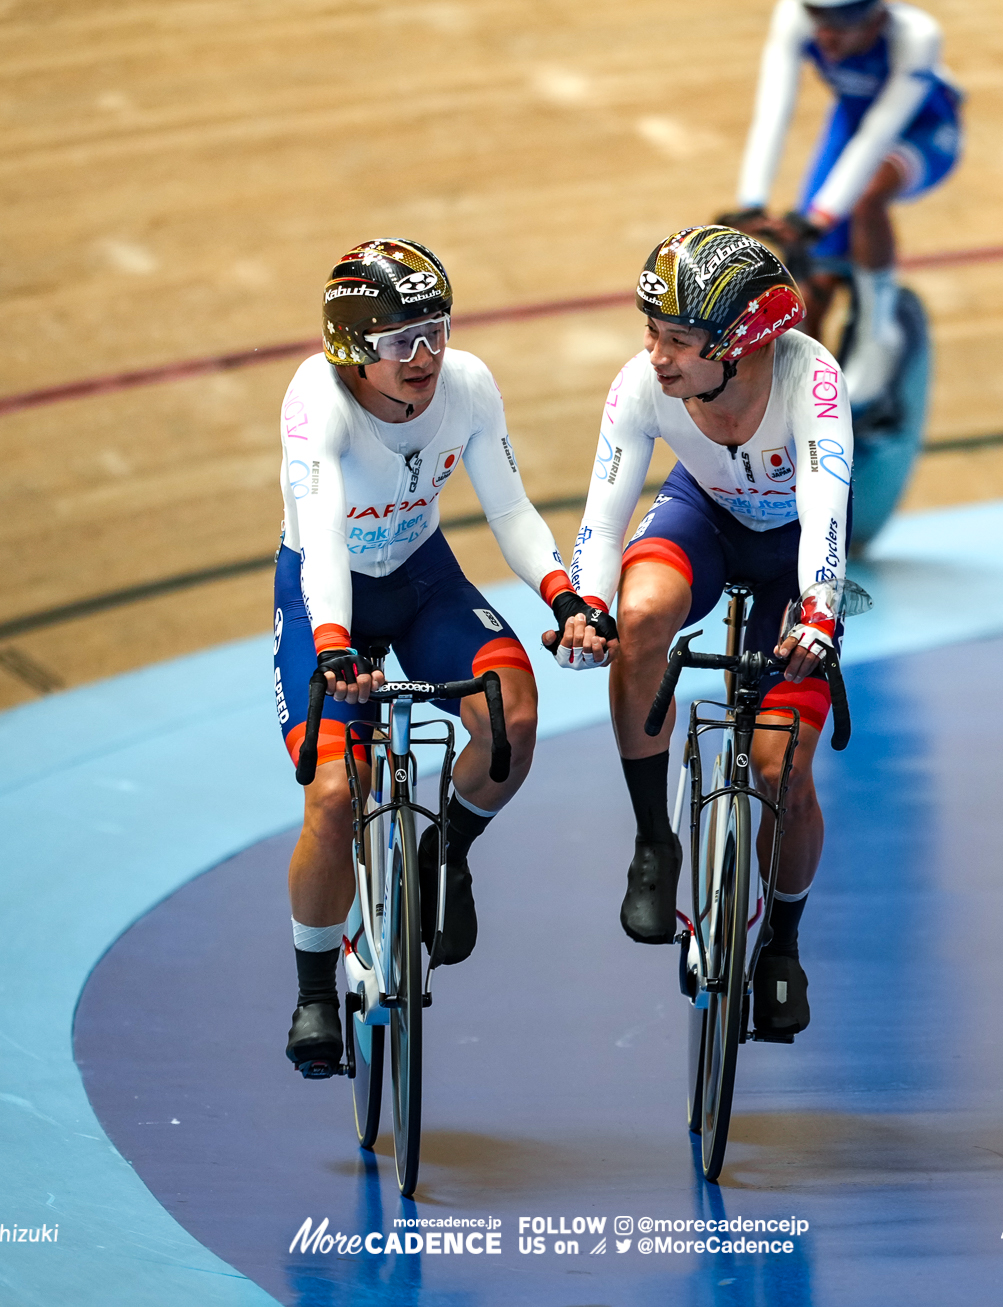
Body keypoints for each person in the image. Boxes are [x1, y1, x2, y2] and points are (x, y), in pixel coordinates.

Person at [276, 238, 600, 1078]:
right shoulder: (319, 400)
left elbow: (510, 507)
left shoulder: (469, 386)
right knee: (337, 793)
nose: (423, 357)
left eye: (435, 331)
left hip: (420, 577)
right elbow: (319, 546)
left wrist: (562, 594)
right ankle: (316, 987)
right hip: (326, 591)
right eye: (398, 341)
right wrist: (334, 645)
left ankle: (442, 852)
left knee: (512, 716)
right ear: (353, 347)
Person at [544, 225, 851, 1040]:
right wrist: (588, 606)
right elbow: (603, 524)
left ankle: (782, 943)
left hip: (795, 550)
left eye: (677, 339)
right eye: (651, 333)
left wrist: (819, 610)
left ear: (741, 343)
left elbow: (825, 510)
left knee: (780, 767)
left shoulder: (811, 381)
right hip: (703, 515)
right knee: (643, 616)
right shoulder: (642, 387)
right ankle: (654, 840)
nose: (657, 356)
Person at [723, 0, 963, 414]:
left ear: (877, 18)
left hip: (921, 130)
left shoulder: (916, 36)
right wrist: (753, 201)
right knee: (806, 290)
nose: (827, 34)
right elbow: (774, 109)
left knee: (868, 198)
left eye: (841, 23)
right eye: (819, 19)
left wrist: (820, 216)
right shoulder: (795, 15)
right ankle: (805, 402)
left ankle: (879, 333)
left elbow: (878, 134)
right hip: (850, 126)